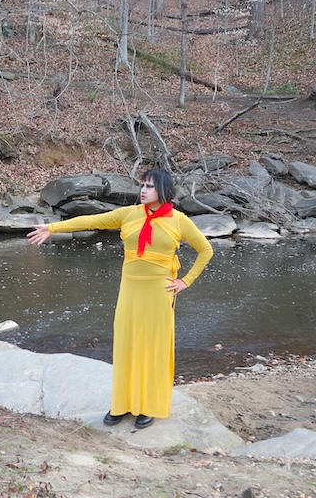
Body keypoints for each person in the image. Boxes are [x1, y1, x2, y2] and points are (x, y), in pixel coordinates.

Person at [26, 169, 213, 429]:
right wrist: (52, 227)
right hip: (130, 290)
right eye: (142, 185)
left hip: (160, 292)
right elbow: (91, 221)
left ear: (163, 190)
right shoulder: (129, 214)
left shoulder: (179, 220)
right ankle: (123, 403)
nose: (143, 190)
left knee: (152, 348)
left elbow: (205, 249)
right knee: (126, 345)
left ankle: (149, 405)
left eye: (149, 186)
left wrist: (185, 281)